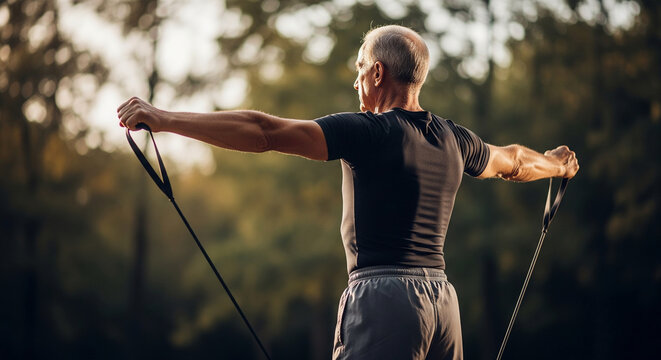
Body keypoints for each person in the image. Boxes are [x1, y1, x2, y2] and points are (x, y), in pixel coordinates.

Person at [117, 25, 578, 360]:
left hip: (385, 300)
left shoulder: (369, 132)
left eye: (359, 69)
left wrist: (164, 118)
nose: (355, 81)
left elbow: (264, 131)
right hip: (443, 304)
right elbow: (515, 161)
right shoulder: (456, 139)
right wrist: (557, 164)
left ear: (378, 73)